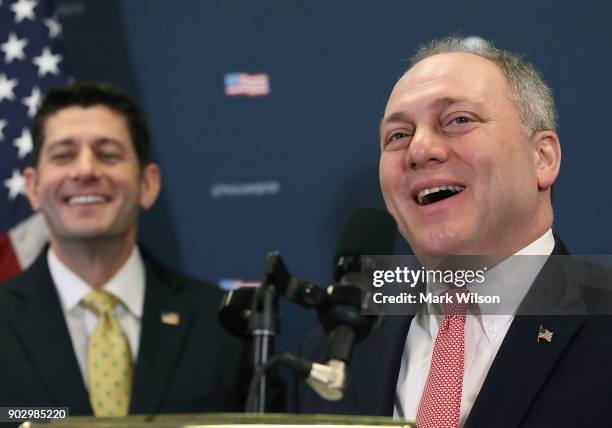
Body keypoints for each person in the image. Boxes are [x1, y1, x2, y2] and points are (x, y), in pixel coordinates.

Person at [290, 37, 612, 427]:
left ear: (542, 158)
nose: (419, 149)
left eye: (459, 120)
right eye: (398, 136)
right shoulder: (332, 351)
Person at [0, 82, 251, 417]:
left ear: (147, 184)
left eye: (108, 154)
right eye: (63, 155)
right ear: (32, 187)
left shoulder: (224, 328)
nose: (86, 170)